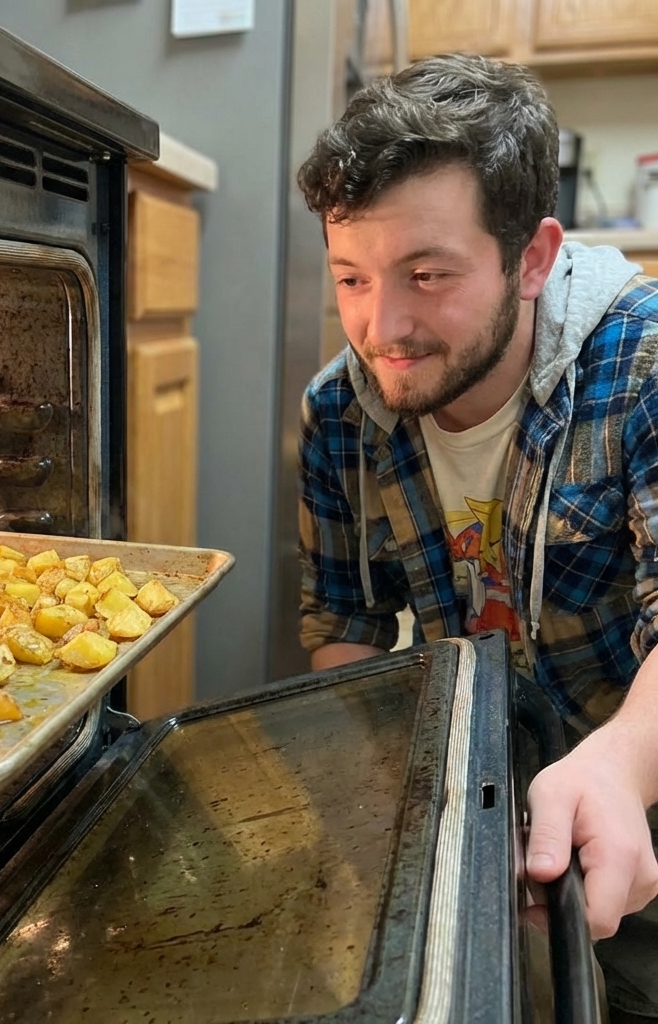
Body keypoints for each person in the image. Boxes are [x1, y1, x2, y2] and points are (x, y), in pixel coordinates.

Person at [296, 52, 658, 1019]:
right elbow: (349, 622)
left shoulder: (642, 363)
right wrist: (378, 805)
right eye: (351, 278)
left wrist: (621, 765)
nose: (384, 328)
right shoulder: (341, 412)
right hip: (470, 797)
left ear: (533, 257)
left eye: (426, 274)